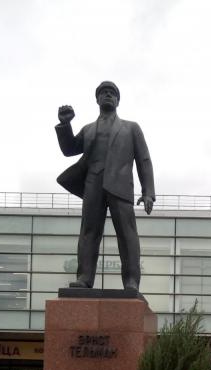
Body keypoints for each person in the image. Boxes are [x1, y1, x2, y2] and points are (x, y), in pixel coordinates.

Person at [55, 81, 155, 293]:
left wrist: (148, 192)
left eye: (112, 93)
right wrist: (65, 125)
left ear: (118, 100)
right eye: (104, 93)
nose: (108, 95)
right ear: (97, 99)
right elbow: (69, 149)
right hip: (93, 184)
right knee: (89, 232)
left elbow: (144, 160)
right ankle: (84, 277)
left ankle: (131, 281)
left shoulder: (131, 128)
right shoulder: (89, 129)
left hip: (120, 186)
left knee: (127, 235)